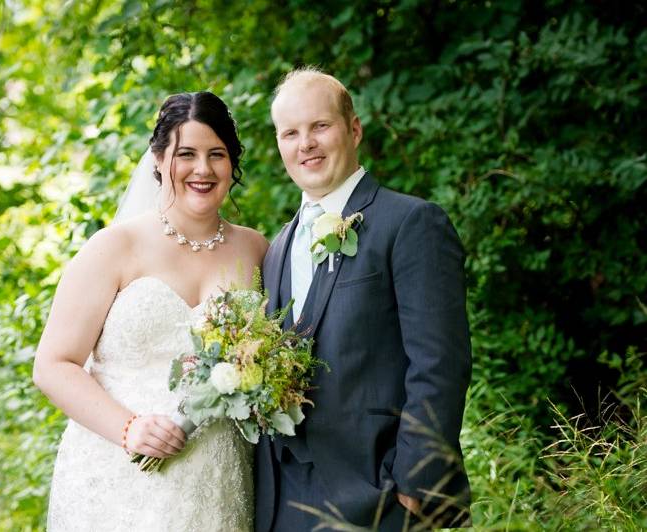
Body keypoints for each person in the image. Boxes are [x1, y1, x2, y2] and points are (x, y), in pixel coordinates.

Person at [33, 91, 267, 531]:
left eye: (216, 154)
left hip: (217, 479)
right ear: (158, 159)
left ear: (232, 163)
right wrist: (129, 429)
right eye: (186, 154)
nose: (202, 169)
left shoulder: (255, 249)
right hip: (119, 473)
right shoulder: (113, 247)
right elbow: (52, 365)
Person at [255, 67, 472, 531]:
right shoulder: (274, 250)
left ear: (353, 129)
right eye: (290, 133)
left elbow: (440, 363)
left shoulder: (411, 223)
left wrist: (413, 486)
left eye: (320, 126)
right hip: (282, 505)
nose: (305, 143)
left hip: (381, 498)